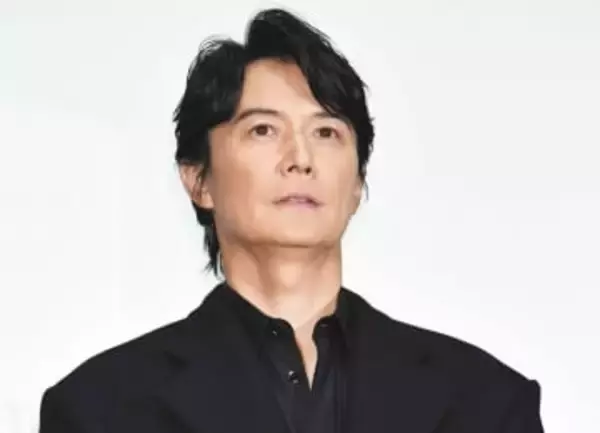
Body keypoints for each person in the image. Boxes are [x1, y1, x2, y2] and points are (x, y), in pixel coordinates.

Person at [39, 8, 544, 433]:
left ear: (357, 184)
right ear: (198, 180)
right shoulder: (100, 408)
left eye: (326, 133)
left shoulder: (487, 401)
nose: (300, 159)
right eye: (263, 130)